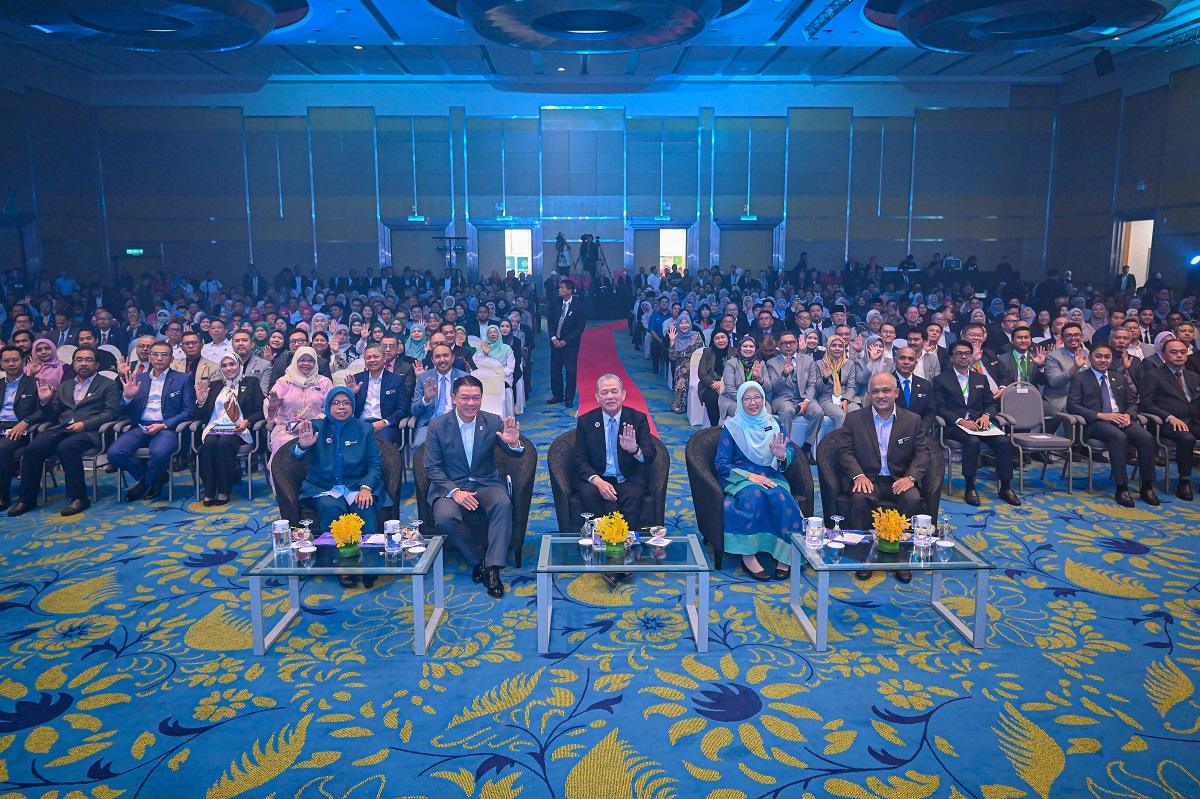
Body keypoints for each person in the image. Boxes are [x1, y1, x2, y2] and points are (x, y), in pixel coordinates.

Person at [424, 375, 524, 599]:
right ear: (453, 398)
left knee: (502, 503)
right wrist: (454, 492)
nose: (471, 403)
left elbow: (511, 452)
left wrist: (514, 443)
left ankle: (493, 569)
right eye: (465, 398)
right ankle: (479, 557)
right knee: (445, 518)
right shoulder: (438, 426)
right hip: (450, 487)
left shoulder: (492, 420)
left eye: (476, 398)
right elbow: (431, 467)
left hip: (485, 482)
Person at [838, 373, 932, 584]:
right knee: (860, 499)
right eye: (876, 391)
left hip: (899, 479)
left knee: (913, 499)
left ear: (896, 393)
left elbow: (923, 452)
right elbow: (844, 451)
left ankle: (901, 559)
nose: (881, 395)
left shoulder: (912, 420)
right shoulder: (854, 419)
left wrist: (911, 477)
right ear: (869, 395)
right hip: (868, 478)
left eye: (886, 390)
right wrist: (858, 475)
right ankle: (864, 557)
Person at [293, 386, 392, 586]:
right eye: (336, 403)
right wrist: (303, 445)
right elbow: (296, 456)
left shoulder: (364, 428)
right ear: (328, 406)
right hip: (323, 486)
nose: (341, 407)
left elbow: (375, 464)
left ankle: (370, 564)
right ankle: (341, 566)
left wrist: (366, 488)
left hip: (357, 484)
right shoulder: (316, 426)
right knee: (331, 508)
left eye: (346, 403)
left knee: (364, 506)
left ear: (353, 406)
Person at [9, 347, 121, 517]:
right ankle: (27, 499)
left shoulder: (108, 384)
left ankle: (79, 498)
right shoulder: (64, 386)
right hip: (62, 428)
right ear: (73, 363)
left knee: (66, 447)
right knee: (32, 449)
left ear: (97, 364)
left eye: (89, 360)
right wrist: (45, 401)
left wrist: (84, 424)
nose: (83, 363)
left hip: (90, 432)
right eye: (79, 360)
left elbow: (111, 413)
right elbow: (53, 415)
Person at [715, 381, 803, 581]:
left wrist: (781, 455)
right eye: (747, 398)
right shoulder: (731, 428)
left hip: (771, 475)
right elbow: (721, 463)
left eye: (757, 397)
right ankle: (749, 557)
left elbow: (789, 452)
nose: (753, 402)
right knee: (753, 498)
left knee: (783, 499)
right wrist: (750, 477)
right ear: (740, 401)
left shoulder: (775, 423)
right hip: (742, 477)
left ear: (764, 400)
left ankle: (785, 554)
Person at [1066, 343, 1160, 508]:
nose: (1103, 360)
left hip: (1121, 419)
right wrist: (1100, 415)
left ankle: (1147, 486)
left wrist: (1128, 415)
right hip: (1095, 423)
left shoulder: (1119, 377)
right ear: (1090, 358)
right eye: (1099, 356)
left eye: (1107, 357)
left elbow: (1132, 403)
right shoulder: (1080, 378)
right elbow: (1073, 406)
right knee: (1118, 437)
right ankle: (1122, 488)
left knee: (1146, 438)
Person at [933, 341, 1022, 507]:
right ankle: (970, 486)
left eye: (967, 353)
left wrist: (987, 415)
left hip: (980, 423)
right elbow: (939, 408)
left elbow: (990, 403)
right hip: (955, 426)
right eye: (959, 353)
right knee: (972, 442)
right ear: (951, 357)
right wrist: (961, 421)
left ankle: (1006, 487)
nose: (963, 357)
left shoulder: (979, 378)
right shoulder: (941, 380)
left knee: (1003, 441)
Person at [108, 341, 196, 502]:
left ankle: (144, 484)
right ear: (149, 357)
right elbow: (122, 412)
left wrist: (164, 425)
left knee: (159, 453)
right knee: (114, 454)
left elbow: (189, 411)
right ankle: (157, 477)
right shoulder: (138, 378)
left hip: (166, 428)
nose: (159, 358)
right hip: (140, 426)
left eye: (164, 355)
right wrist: (127, 397)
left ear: (172, 358)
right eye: (155, 354)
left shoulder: (183, 379)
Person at [574, 373, 657, 540]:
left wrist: (634, 450)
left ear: (623, 394)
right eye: (604, 392)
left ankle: (625, 542)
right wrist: (597, 481)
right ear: (597, 397)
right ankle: (598, 541)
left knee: (634, 495)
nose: (610, 397)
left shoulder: (637, 418)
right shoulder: (586, 421)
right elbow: (579, 459)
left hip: (628, 477)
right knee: (588, 493)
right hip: (598, 476)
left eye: (614, 391)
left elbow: (650, 455)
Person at [194, 354, 264, 505]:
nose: (228, 368)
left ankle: (224, 490)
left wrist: (247, 421)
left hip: (239, 427)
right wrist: (201, 401)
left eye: (232, 364)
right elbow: (204, 415)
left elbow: (260, 410)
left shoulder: (251, 382)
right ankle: (209, 490)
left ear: (239, 365)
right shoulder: (215, 385)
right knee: (208, 445)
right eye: (224, 365)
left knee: (224, 444)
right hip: (216, 426)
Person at [1139, 338, 1200, 501]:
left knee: (1190, 433)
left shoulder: (1193, 376)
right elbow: (1146, 404)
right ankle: (1184, 481)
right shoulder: (1153, 376)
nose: (1179, 355)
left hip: (1193, 421)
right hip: (1165, 424)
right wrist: (1169, 417)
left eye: (1182, 352)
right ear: (1163, 355)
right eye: (1173, 352)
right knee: (1187, 439)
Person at [265, 346, 333, 457]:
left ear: (315, 363)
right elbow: (271, 403)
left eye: (310, 360)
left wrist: (312, 423)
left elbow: (330, 409)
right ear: (295, 361)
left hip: (316, 427)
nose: (306, 363)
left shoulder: (325, 383)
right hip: (286, 428)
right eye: (302, 360)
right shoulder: (283, 382)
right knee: (282, 444)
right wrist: (273, 406)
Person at [764, 331, 822, 453]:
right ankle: (785, 447)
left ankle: (807, 447)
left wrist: (806, 401)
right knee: (787, 410)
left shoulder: (808, 360)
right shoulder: (772, 363)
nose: (789, 346)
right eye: (785, 343)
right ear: (778, 347)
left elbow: (812, 385)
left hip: (804, 398)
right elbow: (774, 388)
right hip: (783, 399)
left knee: (818, 412)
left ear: (797, 344)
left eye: (792, 342)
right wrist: (784, 374)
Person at [0, 346, 40, 510]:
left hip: (20, 429)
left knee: (2, 448)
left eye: (15, 360)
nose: (11, 364)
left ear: (23, 362)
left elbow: (43, 410)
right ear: (1, 364)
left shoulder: (34, 383)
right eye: (6, 361)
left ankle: (3, 495)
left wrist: (26, 421)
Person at [345, 343, 408, 447]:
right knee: (349, 442)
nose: (372, 360)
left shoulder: (396, 380)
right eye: (368, 358)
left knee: (380, 445)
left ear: (384, 359)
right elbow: (346, 407)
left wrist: (384, 422)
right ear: (364, 361)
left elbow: (403, 409)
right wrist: (351, 394)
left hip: (385, 426)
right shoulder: (356, 379)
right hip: (360, 424)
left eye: (376, 357)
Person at [411, 343, 469, 446]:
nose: (442, 360)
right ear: (433, 360)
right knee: (419, 446)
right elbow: (414, 410)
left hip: (458, 423)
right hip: (430, 424)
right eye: (437, 357)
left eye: (446, 355)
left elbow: (470, 405)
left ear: (453, 358)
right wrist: (426, 399)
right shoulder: (424, 378)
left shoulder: (464, 378)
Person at [548, 279, 585, 407]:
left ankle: (569, 398)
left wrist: (565, 341)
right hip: (555, 343)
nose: (559, 289)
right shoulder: (555, 303)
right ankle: (557, 395)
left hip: (570, 345)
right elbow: (550, 322)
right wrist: (553, 338)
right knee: (555, 370)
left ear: (569, 291)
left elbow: (579, 328)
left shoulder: (579, 305)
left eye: (562, 287)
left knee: (570, 371)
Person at [814, 334, 859, 431]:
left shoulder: (849, 364)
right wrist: (825, 378)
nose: (837, 348)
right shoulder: (818, 364)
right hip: (827, 399)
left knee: (856, 412)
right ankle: (840, 445)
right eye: (833, 345)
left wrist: (846, 400)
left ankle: (855, 443)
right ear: (828, 347)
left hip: (845, 397)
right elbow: (818, 389)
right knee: (839, 415)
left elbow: (851, 387)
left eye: (840, 346)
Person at [720, 335, 765, 420]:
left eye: (751, 346)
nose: (748, 349)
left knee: (767, 411)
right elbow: (730, 389)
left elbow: (768, 388)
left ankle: (763, 433)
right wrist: (746, 401)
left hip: (757, 400)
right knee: (744, 412)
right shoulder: (731, 364)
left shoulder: (760, 364)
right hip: (732, 400)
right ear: (740, 348)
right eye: (745, 346)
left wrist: (759, 378)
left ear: (755, 349)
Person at [666, 313, 704, 414]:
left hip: (697, 365)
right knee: (683, 375)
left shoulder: (696, 335)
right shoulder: (675, 335)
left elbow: (702, 352)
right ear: (677, 324)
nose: (684, 325)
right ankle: (677, 403)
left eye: (686, 322)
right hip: (681, 366)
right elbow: (672, 357)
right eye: (681, 323)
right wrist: (672, 341)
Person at [893, 347, 938, 430]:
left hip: (919, 432)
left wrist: (921, 430)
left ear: (916, 363)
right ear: (894, 360)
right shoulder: (886, 383)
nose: (906, 362)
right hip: (893, 432)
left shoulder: (925, 385)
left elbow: (930, 412)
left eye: (911, 359)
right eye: (902, 358)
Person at [697, 330, 730, 427]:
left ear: (728, 339)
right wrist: (714, 384)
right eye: (717, 338)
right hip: (710, 386)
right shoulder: (707, 352)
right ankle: (714, 428)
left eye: (723, 337)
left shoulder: (734, 351)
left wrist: (722, 384)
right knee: (711, 398)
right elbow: (702, 373)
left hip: (730, 385)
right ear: (713, 341)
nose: (721, 340)